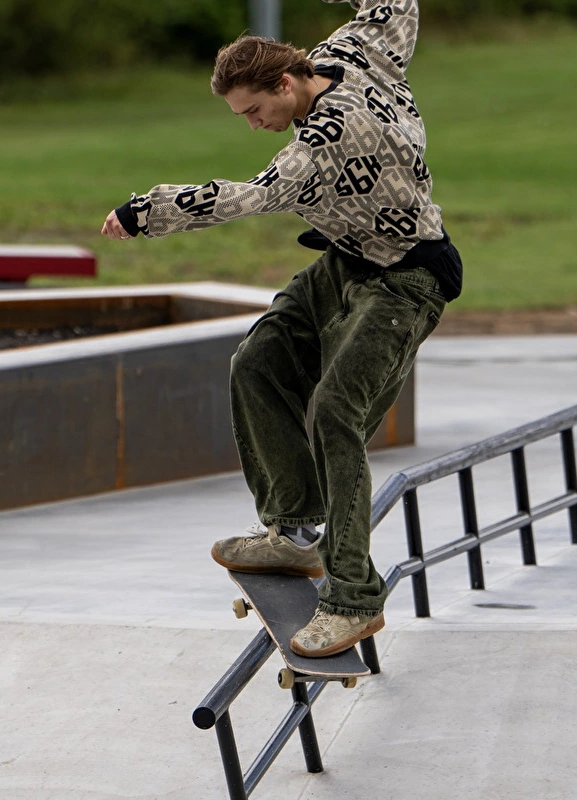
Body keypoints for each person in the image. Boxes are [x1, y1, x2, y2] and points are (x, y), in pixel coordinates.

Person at [101, 0, 462, 658]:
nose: (253, 125)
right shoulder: (355, 50)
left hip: (406, 283)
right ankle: (294, 533)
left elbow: (246, 196)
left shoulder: (316, 151)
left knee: (335, 412)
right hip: (345, 263)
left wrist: (145, 211)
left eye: (254, 111)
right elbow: (395, 3)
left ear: (285, 85)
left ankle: (353, 596)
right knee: (257, 363)